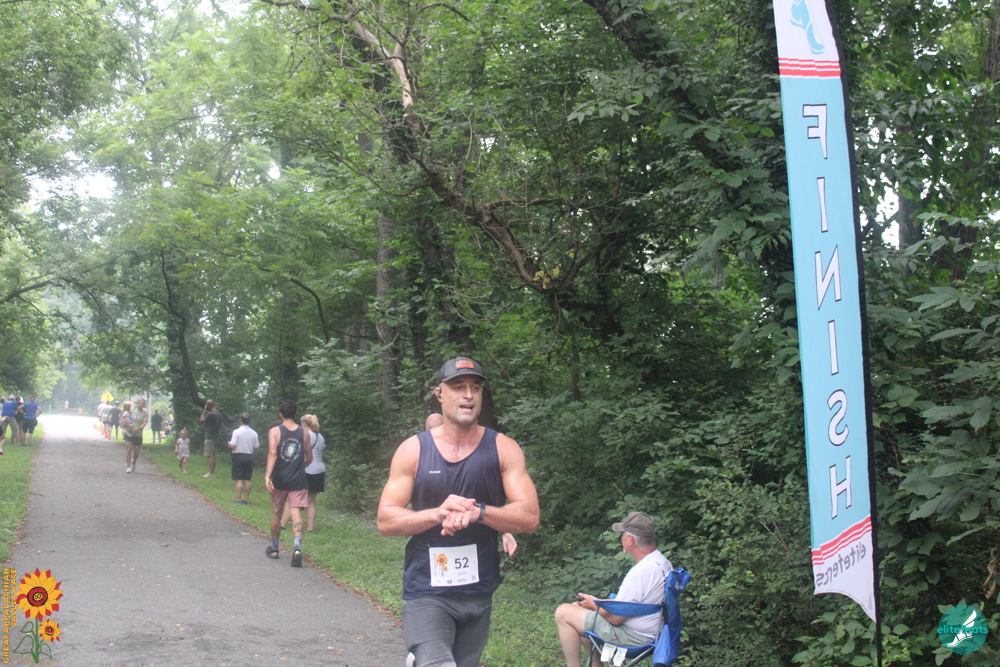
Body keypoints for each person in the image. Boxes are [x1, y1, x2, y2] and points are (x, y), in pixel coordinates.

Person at [379, 357, 540, 667]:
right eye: (458, 387)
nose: (468, 395)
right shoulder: (413, 449)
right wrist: (437, 514)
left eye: (475, 388)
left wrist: (480, 512)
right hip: (426, 589)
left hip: (479, 591)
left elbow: (530, 516)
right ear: (439, 394)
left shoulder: (503, 448)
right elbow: (386, 520)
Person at [553, 512, 674, 667]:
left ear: (630, 539)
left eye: (622, 534)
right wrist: (596, 602)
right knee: (578, 609)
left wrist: (595, 605)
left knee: (563, 612)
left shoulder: (641, 572)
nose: (621, 538)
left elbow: (616, 618)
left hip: (634, 637)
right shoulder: (662, 562)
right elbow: (633, 604)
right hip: (654, 632)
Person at [426, 412, 518, 557]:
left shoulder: (476, 455)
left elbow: (492, 494)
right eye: (430, 428)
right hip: (432, 544)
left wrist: (505, 530)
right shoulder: (421, 455)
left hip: (477, 542)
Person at [264, 400, 312, 567]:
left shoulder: (275, 431)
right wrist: (299, 467)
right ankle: (297, 549)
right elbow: (309, 458)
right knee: (296, 512)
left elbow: (273, 454)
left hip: (279, 479)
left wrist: (267, 476)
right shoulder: (304, 433)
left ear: (280, 414)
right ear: (295, 413)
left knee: (277, 511)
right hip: (298, 480)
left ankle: (274, 548)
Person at [228, 413, 259, 504]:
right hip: (249, 457)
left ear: (240, 420)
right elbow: (257, 446)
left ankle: (237, 499)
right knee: (247, 479)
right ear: (249, 421)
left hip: (238, 456)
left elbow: (233, 445)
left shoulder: (237, 432)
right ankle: (246, 499)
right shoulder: (254, 433)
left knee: (238, 478)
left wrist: (229, 444)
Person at [124, 397, 149, 474]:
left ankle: (134, 461)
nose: (141, 404)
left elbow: (145, 422)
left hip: (138, 434)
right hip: (130, 433)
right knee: (129, 449)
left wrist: (139, 428)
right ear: (138, 403)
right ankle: (128, 467)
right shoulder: (132, 412)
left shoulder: (145, 413)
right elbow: (128, 420)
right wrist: (130, 425)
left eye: (143, 403)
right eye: (140, 403)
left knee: (136, 453)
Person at [200, 399, 223, 477]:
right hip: (216, 436)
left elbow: (201, 420)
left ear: (207, 405)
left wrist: (204, 410)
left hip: (209, 436)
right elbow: (221, 425)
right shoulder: (219, 414)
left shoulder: (211, 414)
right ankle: (212, 472)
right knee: (213, 454)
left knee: (210, 455)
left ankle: (210, 473)